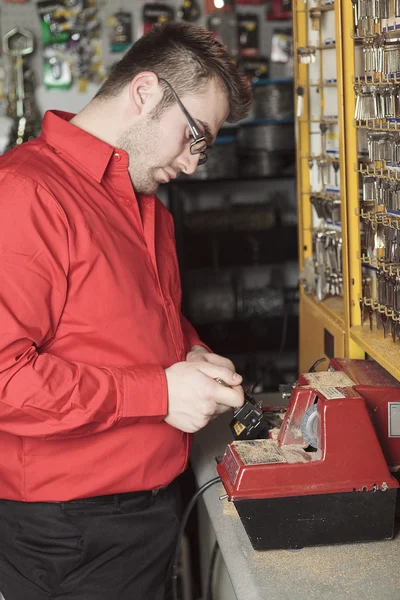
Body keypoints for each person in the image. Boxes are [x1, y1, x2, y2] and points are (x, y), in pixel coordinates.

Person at [0, 21, 252, 600]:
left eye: (204, 147)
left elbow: (143, 319)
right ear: (143, 93)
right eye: (194, 135)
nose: (193, 164)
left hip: (146, 512)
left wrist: (191, 353)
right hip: (70, 533)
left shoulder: (145, 205)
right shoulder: (26, 194)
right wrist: (160, 394)